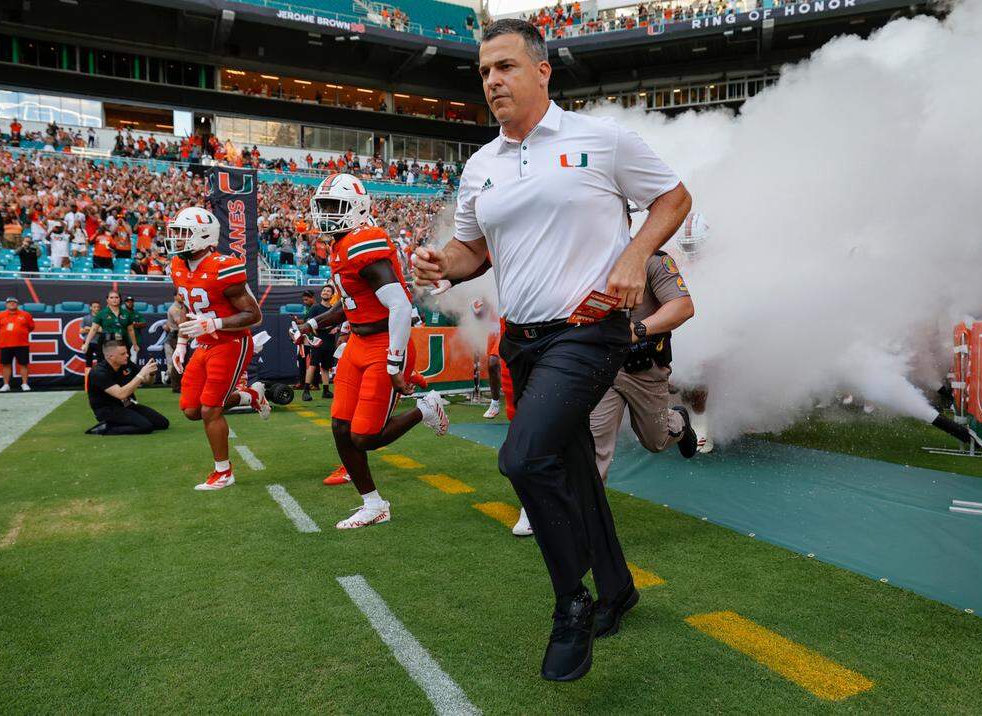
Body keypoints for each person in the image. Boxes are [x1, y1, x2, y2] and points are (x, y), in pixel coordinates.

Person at [411, 19, 691, 681]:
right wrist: (439, 263)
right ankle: (617, 591)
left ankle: (573, 603)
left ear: (542, 71)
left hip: (589, 330)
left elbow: (674, 199)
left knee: (524, 457)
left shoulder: (603, 139)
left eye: (505, 66)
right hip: (523, 340)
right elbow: (472, 250)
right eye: (484, 72)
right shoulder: (480, 166)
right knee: (567, 469)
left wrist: (634, 256)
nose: (492, 81)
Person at [295, 173, 450, 528]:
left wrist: (395, 364)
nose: (328, 214)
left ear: (358, 208)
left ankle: (424, 410)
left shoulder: (363, 242)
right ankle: (373, 503)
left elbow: (397, 306)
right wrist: (313, 325)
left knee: (363, 436)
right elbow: (350, 304)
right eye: (324, 207)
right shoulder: (339, 244)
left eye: (336, 206)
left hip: (384, 342)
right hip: (358, 343)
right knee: (339, 426)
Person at [167, 206, 270, 491]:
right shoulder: (177, 265)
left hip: (231, 342)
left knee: (211, 409)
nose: (176, 238)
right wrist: (182, 342)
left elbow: (254, 315)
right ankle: (250, 396)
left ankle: (223, 471)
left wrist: (213, 325)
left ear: (202, 235)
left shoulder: (224, 266)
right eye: (175, 232)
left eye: (182, 233)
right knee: (191, 409)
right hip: (203, 343)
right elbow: (190, 308)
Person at [589, 242, 699, 483]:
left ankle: (679, 420)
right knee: (594, 449)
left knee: (656, 440)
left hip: (643, 368)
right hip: (602, 367)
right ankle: (588, 516)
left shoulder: (653, 260)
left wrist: (638, 330)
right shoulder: (585, 262)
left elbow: (683, 306)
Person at [86, 341, 170, 435]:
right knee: (145, 427)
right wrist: (141, 374)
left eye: (127, 353)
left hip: (127, 405)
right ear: (110, 356)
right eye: (122, 354)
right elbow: (121, 394)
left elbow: (148, 382)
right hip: (108, 410)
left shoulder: (126, 364)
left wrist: (151, 373)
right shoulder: (99, 372)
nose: (127, 355)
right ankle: (104, 428)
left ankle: (122, 423)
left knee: (163, 423)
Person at [0, 297, 36, 392]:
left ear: (17, 304)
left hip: (22, 344)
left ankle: (24, 383)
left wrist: (20, 332)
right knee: (6, 365)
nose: (12, 304)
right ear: (6, 304)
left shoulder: (26, 315)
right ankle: (6, 384)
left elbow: (31, 327)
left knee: (23, 364)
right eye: (9, 302)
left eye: (14, 302)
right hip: (6, 344)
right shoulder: (0, 315)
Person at [82, 290, 137, 359]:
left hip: (122, 341)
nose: (114, 299)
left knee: (124, 362)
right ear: (107, 300)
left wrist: (135, 345)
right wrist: (86, 344)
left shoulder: (126, 313)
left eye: (116, 297)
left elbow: (131, 330)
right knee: (104, 362)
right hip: (106, 341)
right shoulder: (101, 313)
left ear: (120, 299)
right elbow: (93, 329)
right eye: (111, 297)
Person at [163, 290, 188, 390]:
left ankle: (179, 385)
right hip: (175, 337)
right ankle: (176, 386)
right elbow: (180, 323)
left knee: (181, 360)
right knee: (177, 361)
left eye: (182, 294)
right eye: (179, 294)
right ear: (174, 297)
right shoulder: (174, 308)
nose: (181, 296)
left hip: (180, 335)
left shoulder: (184, 306)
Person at [80, 301, 103, 368]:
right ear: (90, 308)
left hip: (99, 342)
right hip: (88, 342)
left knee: (100, 361)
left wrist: (88, 328)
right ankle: (88, 377)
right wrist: (95, 329)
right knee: (88, 362)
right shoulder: (86, 318)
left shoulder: (102, 318)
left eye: (98, 307)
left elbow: (102, 330)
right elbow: (81, 331)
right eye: (94, 307)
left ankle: (99, 377)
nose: (96, 308)